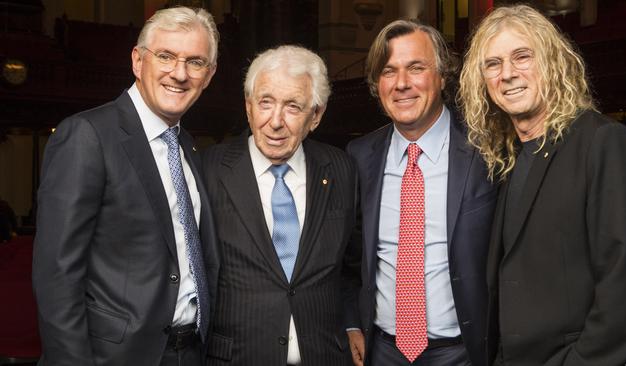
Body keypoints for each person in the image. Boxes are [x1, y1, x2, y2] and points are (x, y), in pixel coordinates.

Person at [458, 5, 626, 365]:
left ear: (552, 61)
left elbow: (623, 288)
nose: (508, 74)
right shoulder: (505, 158)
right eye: (493, 64)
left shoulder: (603, 142)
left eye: (522, 56)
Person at [33, 7, 219, 366]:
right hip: (113, 356)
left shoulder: (190, 147)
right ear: (138, 60)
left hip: (189, 353)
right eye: (166, 56)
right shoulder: (87, 135)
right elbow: (57, 275)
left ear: (209, 75)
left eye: (195, 62)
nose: (179, 74)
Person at [345, 19, 497, 366]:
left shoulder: (486, 150)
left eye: (416, 68)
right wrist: (351, 321)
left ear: (442, 75)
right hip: (382, 352)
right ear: (376, 83)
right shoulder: (359, 156)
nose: (401, 84)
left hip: (465, 352)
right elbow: (348, 258)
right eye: (388, 71)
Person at [201, 45, 360, 366]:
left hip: (325, 355)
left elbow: (353, 265)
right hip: (237, 357)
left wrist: (353, 322)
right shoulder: (208, 169)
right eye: (265, 103)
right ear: (248, 107)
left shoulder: (341, 168)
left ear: (316, 115)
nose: (275, 121)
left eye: (292, 106)